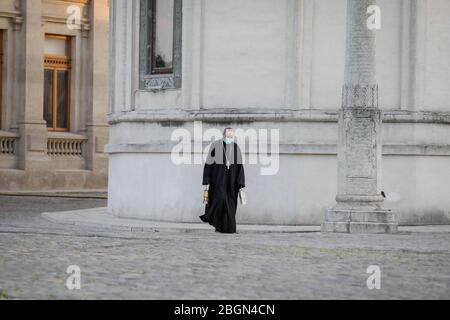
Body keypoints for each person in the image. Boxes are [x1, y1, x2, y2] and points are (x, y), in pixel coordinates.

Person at [199, 127, 245, 233]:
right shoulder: (215, 146)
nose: (229, 138)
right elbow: (208, 163)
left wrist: (240, 182)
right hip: (218, 180)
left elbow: (240, 166)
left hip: (232, 182)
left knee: (231, 204)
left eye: (231, 137)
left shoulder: (235, 147)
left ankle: (230, 228)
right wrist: (206, 179)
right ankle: (219, 225)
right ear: (223, 135)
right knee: (220, 200)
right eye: (227, 136)